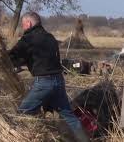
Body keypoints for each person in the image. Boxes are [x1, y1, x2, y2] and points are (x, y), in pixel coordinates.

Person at [8, 11, 89, 142]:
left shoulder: (28, 39)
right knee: (69, 116)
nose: (23, 27)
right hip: (59, 80)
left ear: (28, 23)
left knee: (22, 113)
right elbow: (41, 58)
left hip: (44, 83)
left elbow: (12, 56)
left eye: (23, 25)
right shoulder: (50, 37)